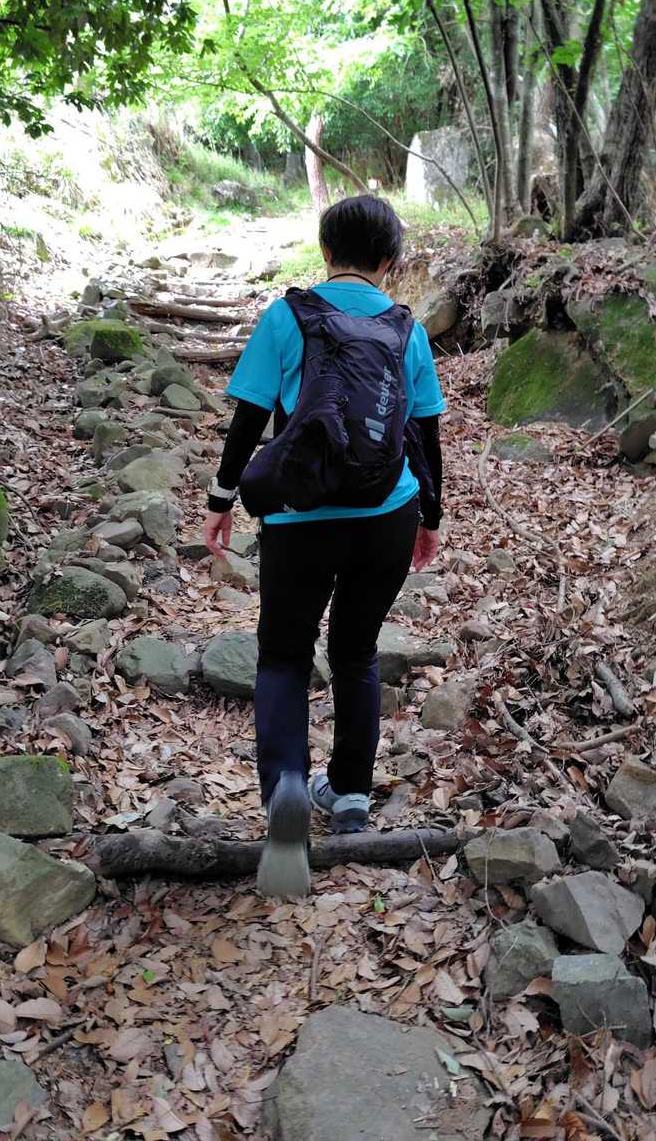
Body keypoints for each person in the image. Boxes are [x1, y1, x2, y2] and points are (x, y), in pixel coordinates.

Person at [202, 195, 445, 899]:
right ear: (390, 261)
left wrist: (221, 500)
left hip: (299, 515)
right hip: (387, 512)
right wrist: (431, 515)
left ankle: (286, 782)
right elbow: (425, 433)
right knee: (357, 651)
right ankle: (351, 796)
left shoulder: (287, 316)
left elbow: (250, 418)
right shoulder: (406, 330)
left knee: (283, 654)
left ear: (324, 249)